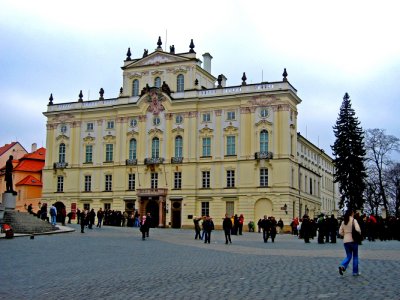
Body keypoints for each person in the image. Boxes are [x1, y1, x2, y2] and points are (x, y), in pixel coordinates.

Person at [338, 209, 361, 276]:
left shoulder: (343, 222)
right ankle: (355, 272)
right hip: (353, 240)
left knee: (348, 256)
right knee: (355, 256)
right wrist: (358, 234)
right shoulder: (354, 220)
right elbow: (358, 229)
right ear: (351, 213)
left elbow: (340, 232)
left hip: (346, 241)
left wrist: (345, 235)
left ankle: (342, 265)